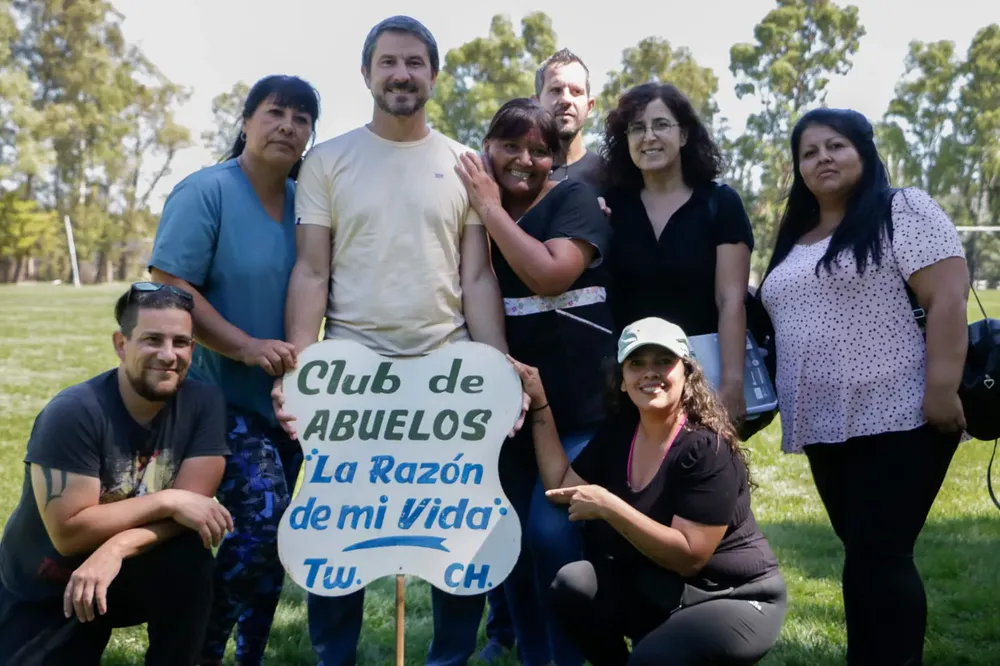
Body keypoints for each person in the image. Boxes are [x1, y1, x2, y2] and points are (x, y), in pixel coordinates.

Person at [272, 16, 521, 666]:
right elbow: (311, 270)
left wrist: (499, 370)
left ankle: (448, 658)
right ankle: (335, 656)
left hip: (448, 376)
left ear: (434, 75)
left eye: (414, 62)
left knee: (457, 532)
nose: (402, 74)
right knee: (336, 532)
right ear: (367, 73)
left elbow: (476, 276)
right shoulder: (328, 161)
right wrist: (297, 370)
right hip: (353, 378)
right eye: (389, 62)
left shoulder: (464, 164)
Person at [758, 108, 969, 666]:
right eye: (809, 152)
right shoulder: (797, 236)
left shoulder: (903, 208)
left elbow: (945, 296)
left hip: (902, 413)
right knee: (864, 556)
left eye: (836, 146)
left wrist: (941, 390)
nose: (822, 158)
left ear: (865, 152)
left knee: (882, 554)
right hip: (827, 423)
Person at [147, 74, 321, 665]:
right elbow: (170, 285)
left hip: (287, 403)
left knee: (271, 542)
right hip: (214, 400)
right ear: (246, 121)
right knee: (260, 522)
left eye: (301, 119)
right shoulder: (207, 191)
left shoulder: (309, 203)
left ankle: (248, 655)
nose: (288, 127)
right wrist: (245, 345)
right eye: (275, 112)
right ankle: (199, 649)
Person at [509, 317, 787, 665]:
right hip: (660, 590)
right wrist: (539, 401)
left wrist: (610, 506)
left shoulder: (706, 448)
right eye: (637, 363)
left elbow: (689, 557)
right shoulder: (621, 432)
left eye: (663, 362)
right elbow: (561, 484)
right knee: (572, 584)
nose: (649, 372)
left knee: (651, 660)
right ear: (623, 380)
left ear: (687, 374)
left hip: (733, 597)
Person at [455, 98, 613, 666]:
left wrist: (490, 209)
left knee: (551, 534)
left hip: (581, 411)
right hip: (505, 414)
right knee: (509, 543)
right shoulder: (472, 211)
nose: (525, 160)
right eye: (511, 146)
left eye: (540, 151)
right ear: (487, 148)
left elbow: (550, 275)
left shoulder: (576, 202)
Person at [0, 283, 233, 666]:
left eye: (181, 342)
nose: (169, 355)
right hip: (52, 579)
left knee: (191, 560)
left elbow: (196, 512)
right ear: (121, 344)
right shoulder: (74, 412)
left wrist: (116, 548)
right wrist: (167, 498)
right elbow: (69, 533)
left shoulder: (204, 404)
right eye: (152, 340)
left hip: (132, 568)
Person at [602, 83, 753, 420]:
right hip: (631, 381)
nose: (649, 136)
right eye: (637, 128)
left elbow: (731, 301)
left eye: (661, 125)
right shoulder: (610, 207)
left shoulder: (720, 204)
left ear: (684, 135)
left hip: (702, 380)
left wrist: (732, 382)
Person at [534, 48, 603, 190]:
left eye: (576, 91)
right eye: (556, 90)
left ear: (589, 106)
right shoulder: (518, 174)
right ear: (535, 103)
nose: (566, 100)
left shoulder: (612, 177)